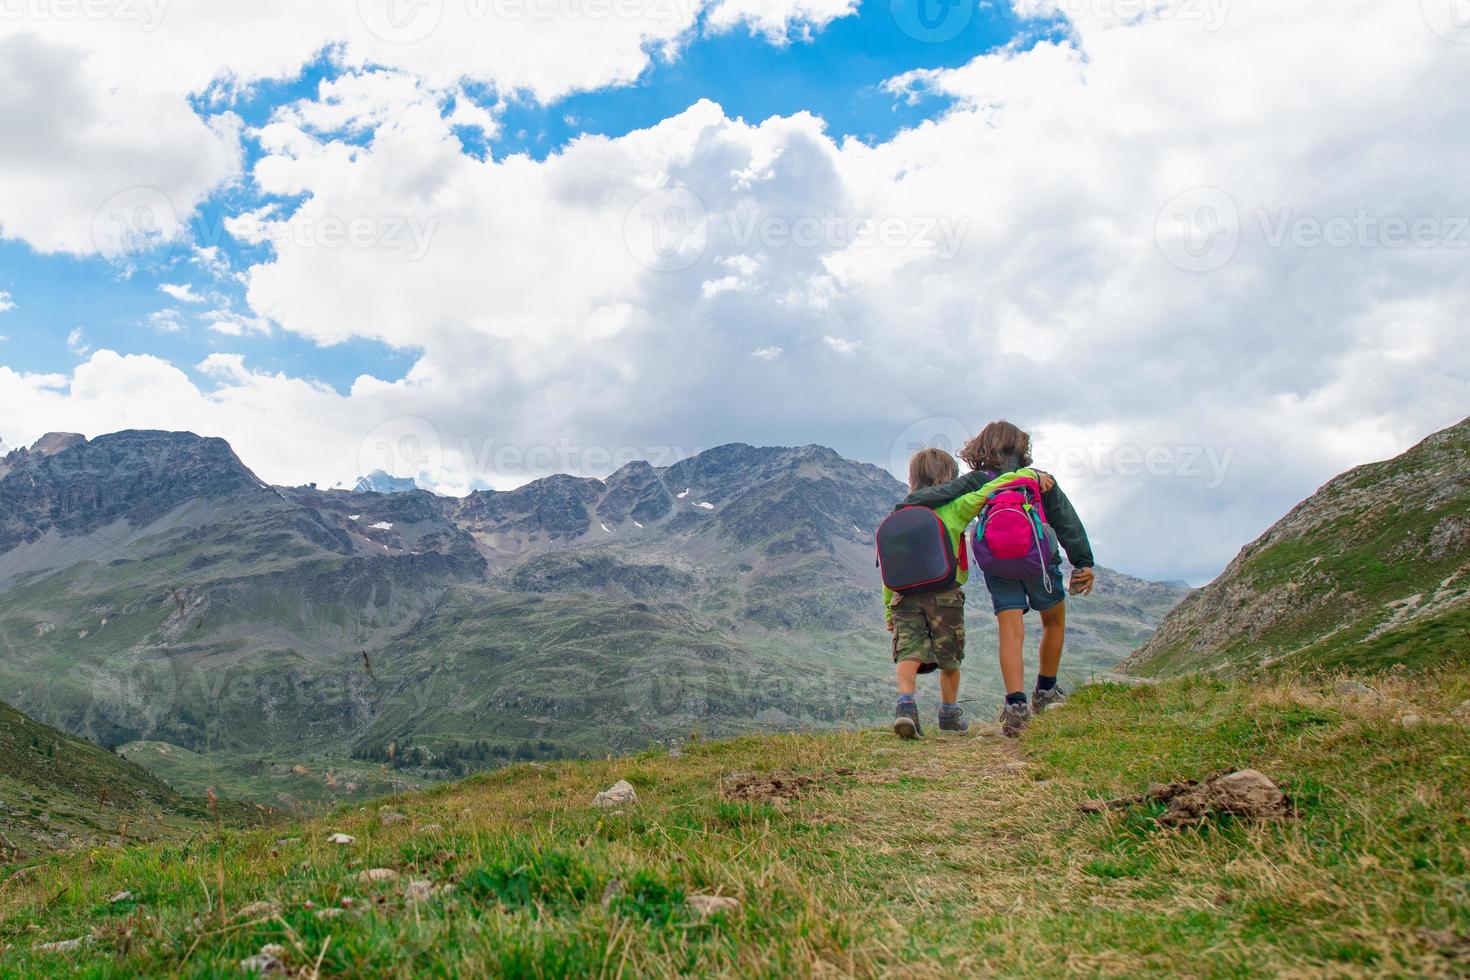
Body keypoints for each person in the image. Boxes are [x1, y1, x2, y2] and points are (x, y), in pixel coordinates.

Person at [906, 421, 1093, 737]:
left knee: (1010, 632)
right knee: (1053, 622)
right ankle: (1046, 691)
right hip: (1040, 563)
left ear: (981, 449)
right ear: (1022, 448)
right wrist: (1083, 562)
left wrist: (912, 502)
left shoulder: (978, 480)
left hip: (998, 564)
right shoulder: (1039, 480)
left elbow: (927, 498)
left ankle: (1015, 704)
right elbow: (1066, 521)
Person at [882, 447, 1056, 739]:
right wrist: (1029, 474)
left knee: (908, 653)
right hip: (945, 595)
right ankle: (949, 713)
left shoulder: (898, 518)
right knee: (950, 657)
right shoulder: (955, 507)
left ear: (912, 480)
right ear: (949, 478)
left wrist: (889, 609)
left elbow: (888, 568)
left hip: (903, 596)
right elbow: (991, 489)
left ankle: (906, 707)